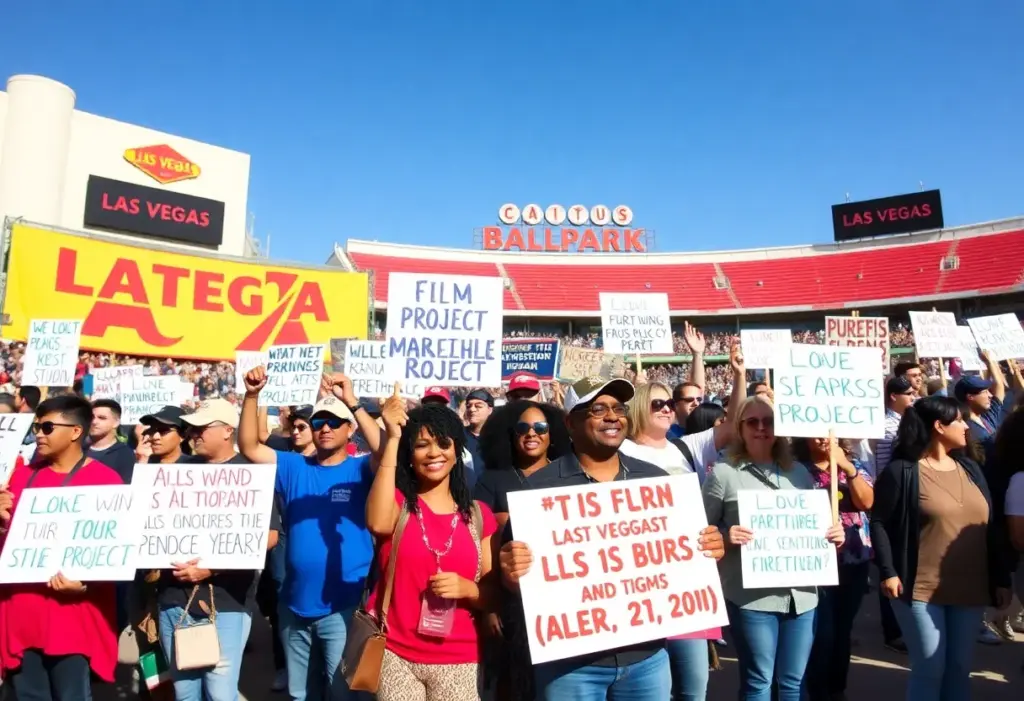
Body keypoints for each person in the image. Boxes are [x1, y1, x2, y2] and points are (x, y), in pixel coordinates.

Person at [499, 377, 726, 700]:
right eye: (598, 409)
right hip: (569, 667)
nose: (612, 417)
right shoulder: (538, 492)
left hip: (647, 660)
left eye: (619, 409)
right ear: (570, 422)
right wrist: (511, 573)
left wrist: (708, 550)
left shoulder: (656, 482)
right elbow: (516, 582)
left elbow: (685, 563)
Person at [238, 369, 383, 701]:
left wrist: (353, 401)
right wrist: (251, 396)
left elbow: (385, 451)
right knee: (301, 693)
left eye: (334, 422)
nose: (325, 428)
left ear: (351, 430)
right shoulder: (293, 466)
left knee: (340, 690)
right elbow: (248, 446)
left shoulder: (360, 469)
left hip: (342, 606)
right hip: (294, 605)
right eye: (319, 423)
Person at [701, 396, 845, 701]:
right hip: (753, 598)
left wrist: (833, 533)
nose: (762, 428)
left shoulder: (799, 473)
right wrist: (726, 536)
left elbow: (813, 526)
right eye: (752, 421)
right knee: (759, 683)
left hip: (803, 597)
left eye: (769, 421)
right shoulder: (723, 474)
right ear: (740, 427)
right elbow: (702, 534)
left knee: (793, 682)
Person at [870, 395, 1012, 701]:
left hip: (970, 590)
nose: (965, 426)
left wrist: (1001, 578)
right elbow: (879, 522)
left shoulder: (971, 467)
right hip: (920, 589)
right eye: (959, 420)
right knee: (930, 667)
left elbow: (992, 527)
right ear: (938, 426)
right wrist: (888, 571)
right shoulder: (902, 471)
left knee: (959, 668)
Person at [365, 386, 497, 700]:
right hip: (396, 655)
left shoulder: (480, 516)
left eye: (443, 443)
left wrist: (468, 589)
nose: (434, 453)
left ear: (457, 451)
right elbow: (377, 523)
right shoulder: (398, 505)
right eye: (422, 445)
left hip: (460, 659)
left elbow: (492, 597)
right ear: (410, 456)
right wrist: (394, 437)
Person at [151, 398, 279, 701]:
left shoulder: (251, 474)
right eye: (191, 428)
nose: (193, 433)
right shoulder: (177, 471)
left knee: (220, 694)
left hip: (226, 603)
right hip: (172, 601)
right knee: (184, 694)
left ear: (227, 431)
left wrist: (210, 568)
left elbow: (269, 537)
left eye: (201, 428)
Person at [0, 395, 125, 700]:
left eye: (47, 427)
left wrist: (85, 584)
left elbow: (115, 554)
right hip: (21, 616)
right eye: (37, 428)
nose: (38, 435)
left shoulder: (107, 483)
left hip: (73, 619)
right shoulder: (18, 478)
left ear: (75, 432)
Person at [475, 400, 572, 700]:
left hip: (563, 602)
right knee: (512, 682)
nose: (532, 434)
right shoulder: (492, 480)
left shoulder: (570, 477)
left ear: (552, 434)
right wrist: (489, 606)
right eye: (523, 428)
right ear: (511, 435)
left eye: (540, 427)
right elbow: (482, 543)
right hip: (511, 602)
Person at [795, 437, 874, 701]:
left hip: (852, 561)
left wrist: (846, 468)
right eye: (816, 433)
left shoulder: (854, 465)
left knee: (842, 630)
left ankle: (836, 689)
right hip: (815, 564)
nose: (824, 438)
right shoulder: (795, 469)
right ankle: (817, 690)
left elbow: (866, 502)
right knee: (822, 633)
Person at [86, 398, 136, 483]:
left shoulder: (125, 454)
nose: (94, 422)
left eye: (102, 418)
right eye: (91, 417)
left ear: (116, 423)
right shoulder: (77, 450)